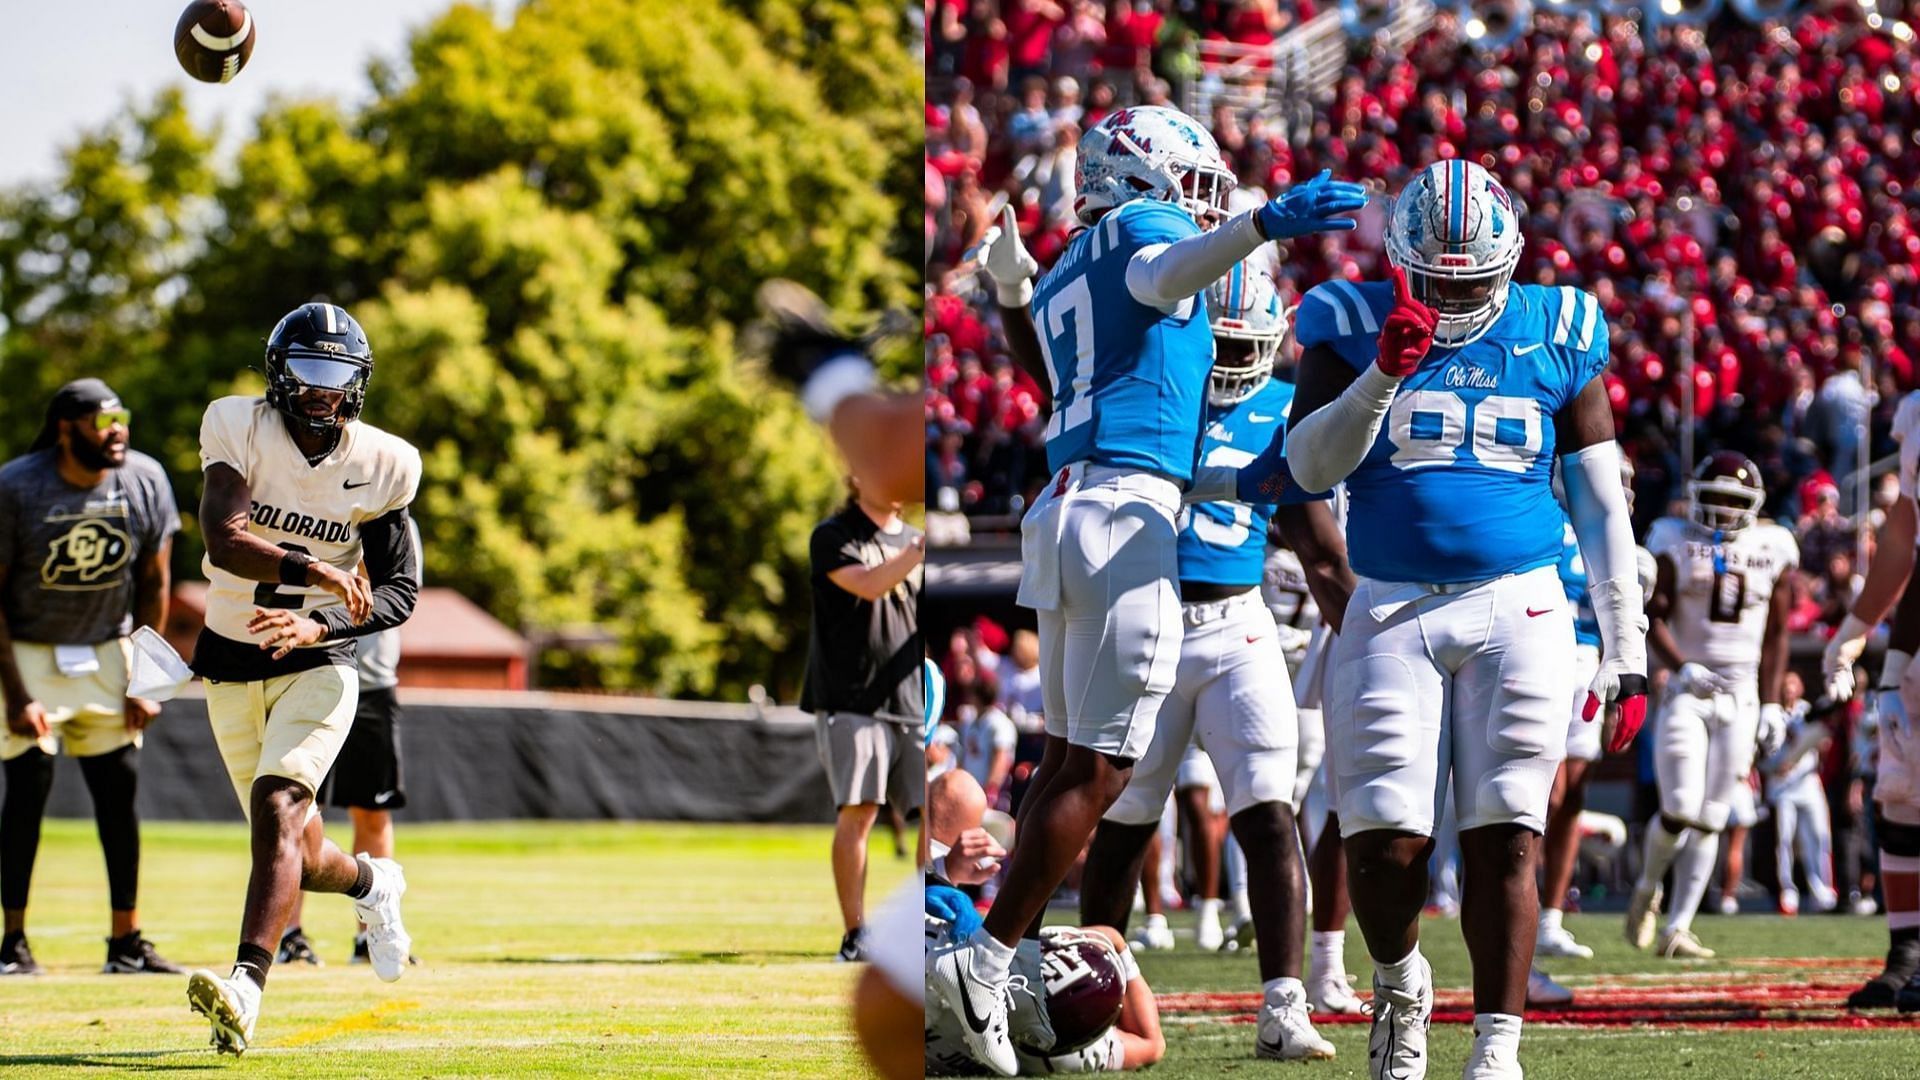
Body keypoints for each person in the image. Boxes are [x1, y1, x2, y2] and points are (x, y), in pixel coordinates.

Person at [934, 106, 1364, 1076]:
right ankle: (988, 965)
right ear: (1138, 178)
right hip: (1129, 515)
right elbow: (1164, 274)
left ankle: (998, 973)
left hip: (1073, 503)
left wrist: (1009, 290)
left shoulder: (1065, 270)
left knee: (1064, 767)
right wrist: (1262, 226)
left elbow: (1063, 377)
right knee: (1099, 775)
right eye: (1190, 181)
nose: (1204, 199)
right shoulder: (1139, 233)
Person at [1284, 160, 1648, 1080]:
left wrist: (1627, 648)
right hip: (1392, 599)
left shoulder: (1558, 326)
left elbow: (1603, 505)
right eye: (1437, 277)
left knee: (1508, 834)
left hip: (1521, 602)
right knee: (1381, 844)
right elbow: (1306, 471)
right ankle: (1401, 988)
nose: (1456, 294)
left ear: (1509, 260)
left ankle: (1498, 1050)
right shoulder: (1347, 318)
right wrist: (1378, 375)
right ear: (1403, 261)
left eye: (1473, 278)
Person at [184, 302, 421, 1055]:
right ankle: (372, 885)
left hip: (319, 661)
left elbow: (399, 591)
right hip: (230, 660)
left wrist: (323, 622)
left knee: (279, 810)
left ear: (359, 383)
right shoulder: (236, 424)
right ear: (279, 375)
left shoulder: (384, 462)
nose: (322, 392)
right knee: (299, 848)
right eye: (309, 374)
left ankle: (246, 985)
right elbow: (224, 539)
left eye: (337, 376)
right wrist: (311, 566)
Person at [0, 379, 182, 976]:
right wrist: (16, 691)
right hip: (27, 651)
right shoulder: (17, 487)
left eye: (121, 416)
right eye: (103, 421)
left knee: (118, 792)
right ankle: (13, 944)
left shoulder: (145, 478)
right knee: (27, 790)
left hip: (108, 650)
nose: (117, 430)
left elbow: (156, 585)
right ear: (65, 427)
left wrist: (146, 679)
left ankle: (126, 943)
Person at [1624, 453, 1796, 961]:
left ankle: (1679, 927)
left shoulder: (1773, 544)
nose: (1722, 509)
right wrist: (1680, 667)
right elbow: (1652, 616)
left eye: (1733, 501)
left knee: (1714, 816)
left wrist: (1769, 704)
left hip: (1742, 694)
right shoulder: (1673, 538)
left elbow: (1779, 632)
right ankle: (1646, 889)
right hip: (1689, 690)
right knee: (1679, 805)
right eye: (1714, 497)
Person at [803, 474, 926, 963]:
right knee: (859, 811)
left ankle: (924, 927)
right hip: (850, 698)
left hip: (908, 700)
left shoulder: (911, 538)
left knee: (936, 819)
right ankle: (856, 935)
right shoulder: (833, 535)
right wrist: (920, 550)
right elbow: (871, 585)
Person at [1537, 458, 1656, 960]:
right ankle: (1520, 906)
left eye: (1627, 481)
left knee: (1572, 796)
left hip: (1590, 663)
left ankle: (1551, 916)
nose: (1620, 491)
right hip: (1541, 651)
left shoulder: (1629, 549)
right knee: (1546, 788)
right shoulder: (1544, 523)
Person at [1824, 389, 1920, 1009]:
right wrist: (1858, 638)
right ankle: (1907, 951)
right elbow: (1908, 536)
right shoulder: (1913, 411)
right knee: (1900, 789)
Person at [277, 617, 417, 967]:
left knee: (372, 812)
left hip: (372, 685)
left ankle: (372, 935)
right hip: (310, 677)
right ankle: (288, 937)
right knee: (297, 810)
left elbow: (395, 592)